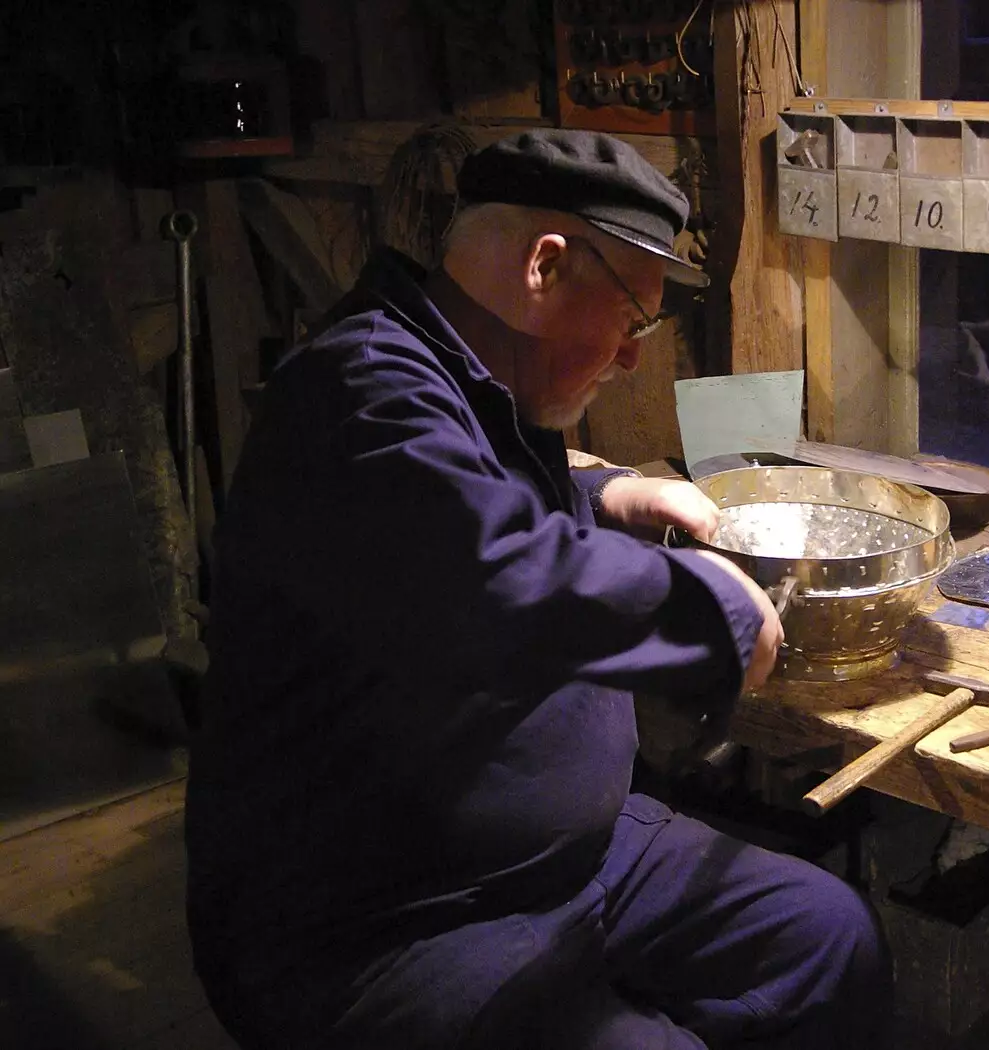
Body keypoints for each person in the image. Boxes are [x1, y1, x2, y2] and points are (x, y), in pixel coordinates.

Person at [184, 129, 891, 1050]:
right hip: (384, 920)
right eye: (634, 320)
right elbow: (491, 568)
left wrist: (607, 494)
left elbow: (487, 504)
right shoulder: (357, 394)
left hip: (567, 859)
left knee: (829, 940)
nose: (634, 358)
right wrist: (709, 609)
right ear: (545, 268)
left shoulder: (475, 386)